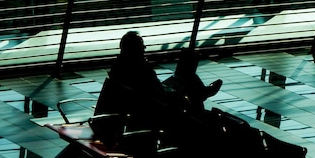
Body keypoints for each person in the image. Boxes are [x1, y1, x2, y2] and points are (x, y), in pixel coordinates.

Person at [94, 31, 222, 126]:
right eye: (142, 46)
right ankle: (203, 95)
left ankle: (201, 94)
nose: (144, 49)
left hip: (143, 104)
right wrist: (170, 92)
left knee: (185, 81)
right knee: (189, 88)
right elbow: (157, 95)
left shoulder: (118, 66)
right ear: (136, 50)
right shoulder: (143, 70)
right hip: (153, 110)